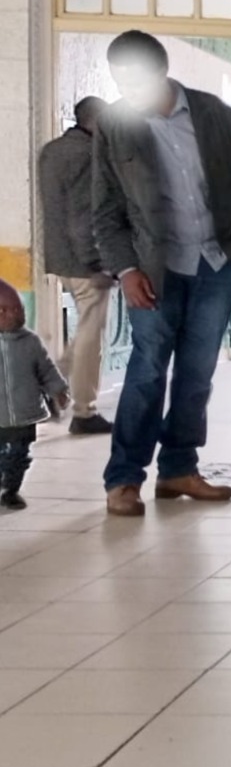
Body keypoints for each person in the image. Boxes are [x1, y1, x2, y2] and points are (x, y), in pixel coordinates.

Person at [93, 30, 231, 517]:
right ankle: (124, 479)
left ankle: (178, 470)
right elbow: (105, 209)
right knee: (147, 371)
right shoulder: (115, 125)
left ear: (163, 69)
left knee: (196, 376)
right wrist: (126, 269)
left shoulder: (213, 113)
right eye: (119, 81)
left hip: (214, 265)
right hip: (155, 270)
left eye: (136, 79)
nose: (128, 90)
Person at [38, 96, 114, 436]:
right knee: (90, 334)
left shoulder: (52, 150)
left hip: (60, 254)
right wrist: (96, 261)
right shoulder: (88, 155)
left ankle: (51, 390)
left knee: (86, 327)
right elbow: (83, 216)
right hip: (84, 260)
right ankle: (84, 410)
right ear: (95, 122)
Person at [0, 280, 69, 510]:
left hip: (24, 414)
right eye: (13, 310)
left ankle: (11, 489)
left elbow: (46, 369)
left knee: (20, 455)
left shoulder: (30, 342)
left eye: (21, 309)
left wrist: (58, 390)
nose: (20, 315)